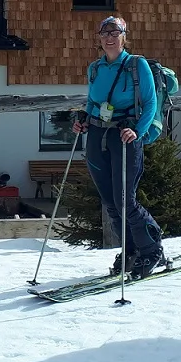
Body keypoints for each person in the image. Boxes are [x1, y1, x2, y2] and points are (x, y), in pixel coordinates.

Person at [72, 15, 165, 278]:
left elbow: (150, 103)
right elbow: (92, 101)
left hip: (125, 136)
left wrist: (137, 130)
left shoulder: (137, 65)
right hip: (97, 134)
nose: (109, 38)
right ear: (99, 39)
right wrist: (83, 120)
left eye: (115, 33)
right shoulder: (95, 68)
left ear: (124, 37)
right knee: (110, 202)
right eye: (105, 34)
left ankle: (151, 250)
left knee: (125, 200)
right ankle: (130, 250)